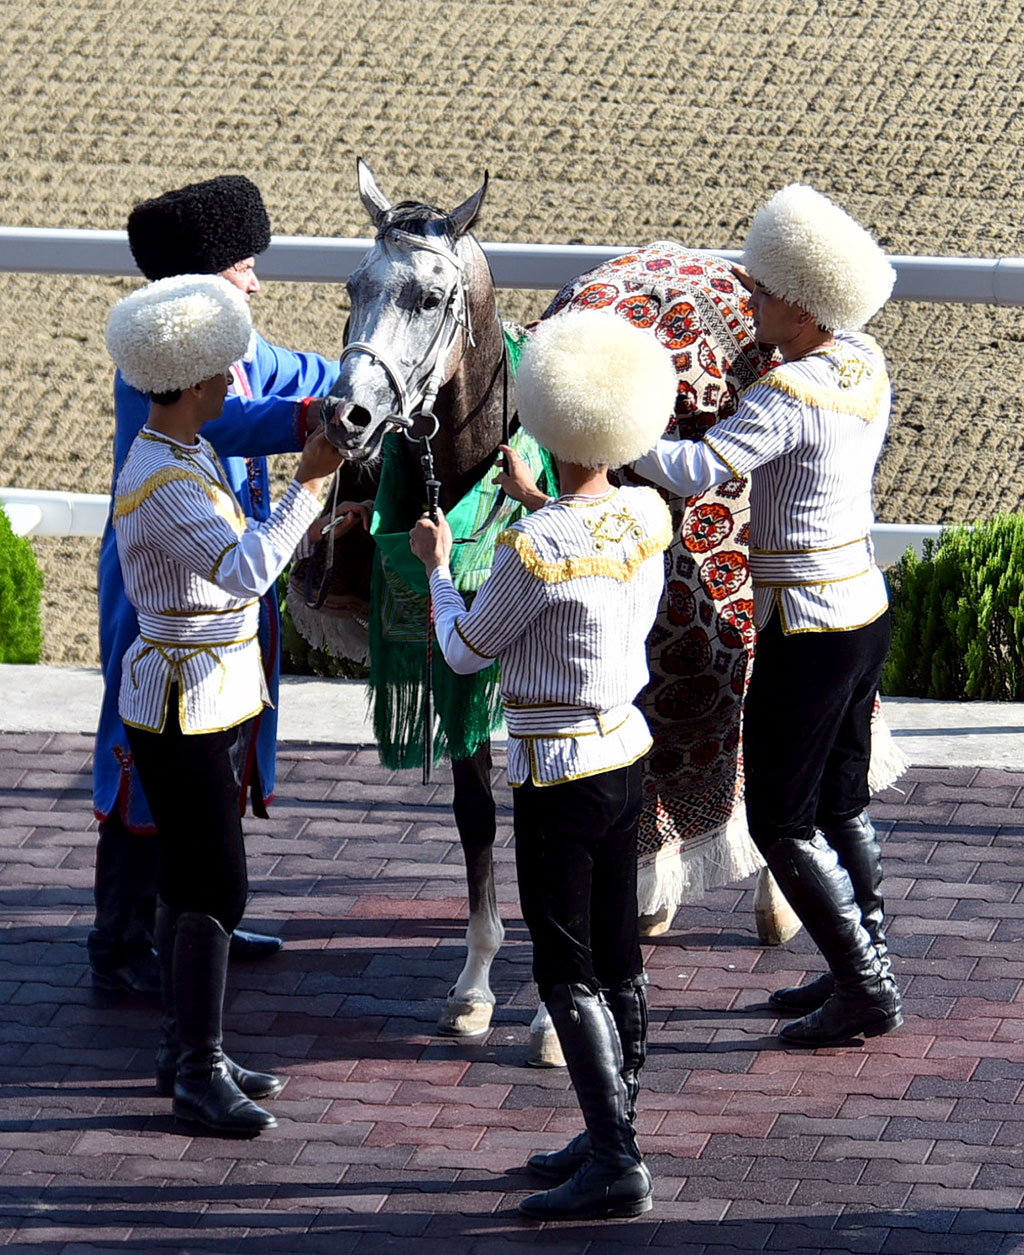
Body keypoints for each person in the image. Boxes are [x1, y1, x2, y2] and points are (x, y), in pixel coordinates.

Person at [409, 310, 675, 1221]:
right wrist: (537, 496)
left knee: (564, 967)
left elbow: (466, 650)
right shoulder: (646, 511)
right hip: (625, 756)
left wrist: (440, 568)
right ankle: (615, 1128)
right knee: (619, 954)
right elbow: (587, 539)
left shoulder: (532, 548)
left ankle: (614, 1158)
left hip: (556, 772)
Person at [631, 183, 902, 1049]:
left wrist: (608, 427)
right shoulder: (863, 361)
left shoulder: (790, 394)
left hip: (808, 628)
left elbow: (695, 468)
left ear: (805, 301)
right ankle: (864, 956)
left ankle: (864, 989)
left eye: (761, 289)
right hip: (863, 606)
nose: (748, 300)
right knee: (843, 805)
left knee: (780, 820)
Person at [105, 273, 352, 1133]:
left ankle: (188, 1049)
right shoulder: (167, 479)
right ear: (193, 379)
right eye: (219, 370)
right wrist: (311, 486)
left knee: (190, 877)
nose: (229, 380)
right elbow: (246, 569)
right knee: (218, 885)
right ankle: (198, 1068)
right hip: (189, 702)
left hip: (199, 693)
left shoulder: (179, 450)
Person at [90, 175, 342, 996]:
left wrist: (370, 372)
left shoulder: (224, 339)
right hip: (161, 584)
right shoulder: (164, 361)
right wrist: (312, 425)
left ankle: (205, 919)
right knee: (144, 756)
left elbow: (297, 368)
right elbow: (229, 418)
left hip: (224, 572)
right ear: (200, 279)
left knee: (217, 739)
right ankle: (122, 941)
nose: (256, 281)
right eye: (241, 267)